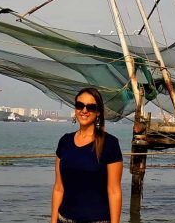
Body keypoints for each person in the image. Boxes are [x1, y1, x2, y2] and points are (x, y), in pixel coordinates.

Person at [51, 87, 123, 223]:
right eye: (80, 105)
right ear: (75, 109)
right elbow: (58, 188)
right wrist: (53, 221)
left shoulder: (110, 144)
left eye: (90, 107)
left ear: (98, 112)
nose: (84, 110)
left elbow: (114, 191)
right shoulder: (65, 141)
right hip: (64, 219)